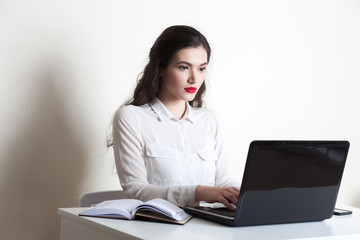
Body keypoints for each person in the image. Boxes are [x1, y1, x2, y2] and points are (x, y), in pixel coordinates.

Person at [110, 25, 240, 210]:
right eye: (184, 67)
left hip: (209, 227)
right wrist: (198, 192)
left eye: (202, 68)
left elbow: (224, 180)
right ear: (161, 68)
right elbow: (136, 190)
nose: (194, 78)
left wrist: (253, 192)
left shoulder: (208, 120)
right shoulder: (132, 118)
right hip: (158, 228)